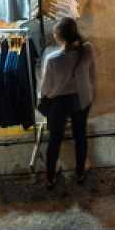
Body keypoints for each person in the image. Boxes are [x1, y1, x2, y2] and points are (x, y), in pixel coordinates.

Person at [39, 17, 96, 187]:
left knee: (55, 139)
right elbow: (92, 76)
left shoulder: (52, 59)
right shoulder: (87, 50)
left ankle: (51, 176)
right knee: (80, 136)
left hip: (59, 103)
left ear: (58, 37)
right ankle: (80, 172)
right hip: (82, 99)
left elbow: (45, 87)